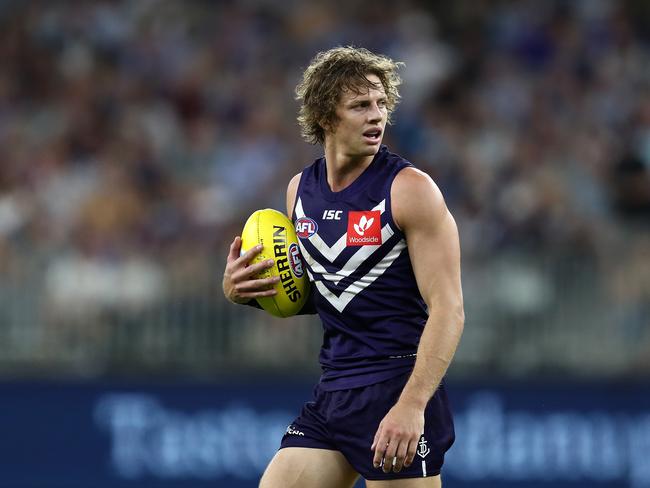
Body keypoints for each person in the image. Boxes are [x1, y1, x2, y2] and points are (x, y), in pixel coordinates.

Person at [222, 46, 464, 488]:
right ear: (325, 117)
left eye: (380, 104)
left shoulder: (410, 190)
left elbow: (449, 309)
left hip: (398, 385)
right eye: (360, 106)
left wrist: (412, 406)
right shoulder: (300, 191)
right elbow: (333, 290)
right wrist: (246, 291)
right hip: (335, 389)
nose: (377, 116)